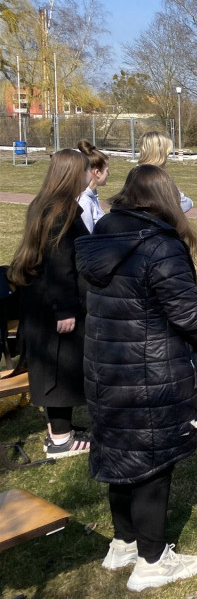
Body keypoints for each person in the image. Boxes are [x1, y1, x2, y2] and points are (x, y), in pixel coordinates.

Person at [75, 164, 197, 592]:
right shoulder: (160, 245)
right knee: (152, 460)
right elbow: (188, 315)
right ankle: (151, 560)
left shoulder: (105, 231)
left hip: (106, 366)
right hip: (148, 369)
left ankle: (125, 541)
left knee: (119, 449)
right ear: (165, 198)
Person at [7, 149, 92, 458]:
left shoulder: (47, 204)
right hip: (54, 306)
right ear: (72, 175)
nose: (89, 176)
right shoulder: (60, 212)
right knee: (59, 369)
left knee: (58, 367)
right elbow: (59, 265)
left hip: (43, 303)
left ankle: (59, 430)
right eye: (85, 171)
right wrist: (66, 309)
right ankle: (60, 440)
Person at [137, 130, 193, 212]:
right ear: (161, 152)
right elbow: (182, 204)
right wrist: (190, 202)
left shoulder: (135, 172)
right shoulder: (158, 176)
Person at [77, 139, 110, 232]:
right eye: (107, 171)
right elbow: (87, 236)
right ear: (97, 172)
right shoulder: (84, 202)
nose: (109, 174)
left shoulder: (92, 196)